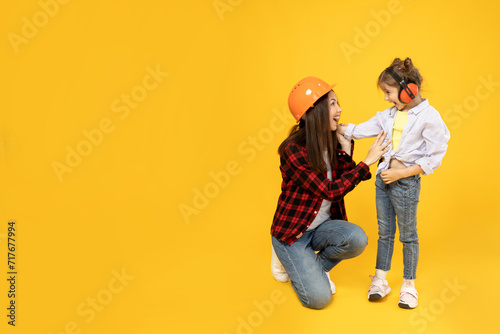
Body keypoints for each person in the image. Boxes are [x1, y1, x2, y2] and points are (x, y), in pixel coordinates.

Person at [337, 57, 450, 309]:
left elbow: (435, 157)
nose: (386, 98)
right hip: (382, 182)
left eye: (388, 92)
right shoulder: (388, 115)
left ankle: (409, 285)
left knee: (408, 236)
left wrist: (401, 174)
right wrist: (340, 128)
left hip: (405, 185)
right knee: (384, 233)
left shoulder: (429, 118)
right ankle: (380, 279)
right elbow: (361, 129)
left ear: (409, 90)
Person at [270, 76, 391, 310]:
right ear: (312, 112)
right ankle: (282, 253)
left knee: (357, 239)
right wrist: (367, 161)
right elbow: (329, 190)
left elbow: (350, 179)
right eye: (333, 104)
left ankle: (314, 267)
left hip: (322, 227)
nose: (340, 109)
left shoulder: (332, 141)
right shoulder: (292, 150)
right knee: (319, 300)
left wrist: (346, 150)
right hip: (294, 232)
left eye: (337, 103)